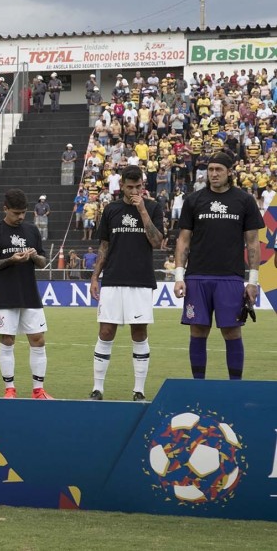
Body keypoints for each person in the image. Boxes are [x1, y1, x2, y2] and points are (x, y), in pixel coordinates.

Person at [174, 152, 263, 380]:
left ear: (229, 172)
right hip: (197, 277)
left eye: (218, 170)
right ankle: (198, 385)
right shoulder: (194, 200)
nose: (213, 174)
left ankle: (234, 386)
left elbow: (253, 243)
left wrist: (252, 282)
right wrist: (178, 276)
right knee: (198, 331)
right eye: (210, 170)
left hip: (230, 277)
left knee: (232, 331)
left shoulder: (244, 201)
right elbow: (183, 240)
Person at [88, 166, 164, 401]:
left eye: (138, 186)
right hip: (112, 279)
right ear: (122, 185)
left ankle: (139, 390)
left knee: (139, 332)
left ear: (143, 185)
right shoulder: (111, 209)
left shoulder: (153, 207)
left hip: (140, 280)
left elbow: (156, 241)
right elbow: (104, 246)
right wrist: (94, 276)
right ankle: (97, 388)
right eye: (130, 187)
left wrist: (142, 209)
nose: (134, 191)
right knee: (106, 331)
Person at [0, 189, 52, 399]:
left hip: (29, 294)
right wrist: (11, 260)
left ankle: (38, 390)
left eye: (23, 213)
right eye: (16, 213)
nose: (20, 217)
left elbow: (43, 261)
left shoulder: (32, 231)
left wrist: (33, 256)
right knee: (7, 340)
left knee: (38, 340)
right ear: (5, 209)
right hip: (5, 295)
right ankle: (9, 389)